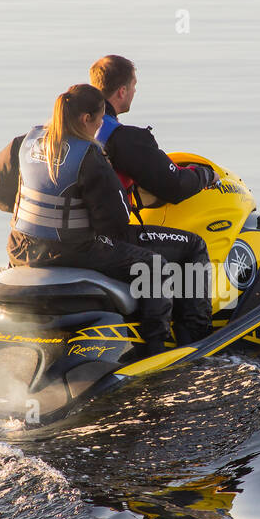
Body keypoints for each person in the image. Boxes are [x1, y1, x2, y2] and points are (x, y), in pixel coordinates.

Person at [0, 83, 200, 356]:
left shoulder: (24, 142)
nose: (99, 127)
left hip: (20, 249)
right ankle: (156, 350)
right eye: (99, 121)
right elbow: (116, 223)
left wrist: (36, 217)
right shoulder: (89, 156)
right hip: (72, 252)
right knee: (156, 267)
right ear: (87, 119)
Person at [87, 55, 215, 344]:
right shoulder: (124, 138)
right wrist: (204, 176)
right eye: (133, 86)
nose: (134, 92)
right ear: (121, 91)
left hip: (61, 237)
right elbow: (174, 186)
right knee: (193, 247)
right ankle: (193, 340)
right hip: (105, 241)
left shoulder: (67, 131)